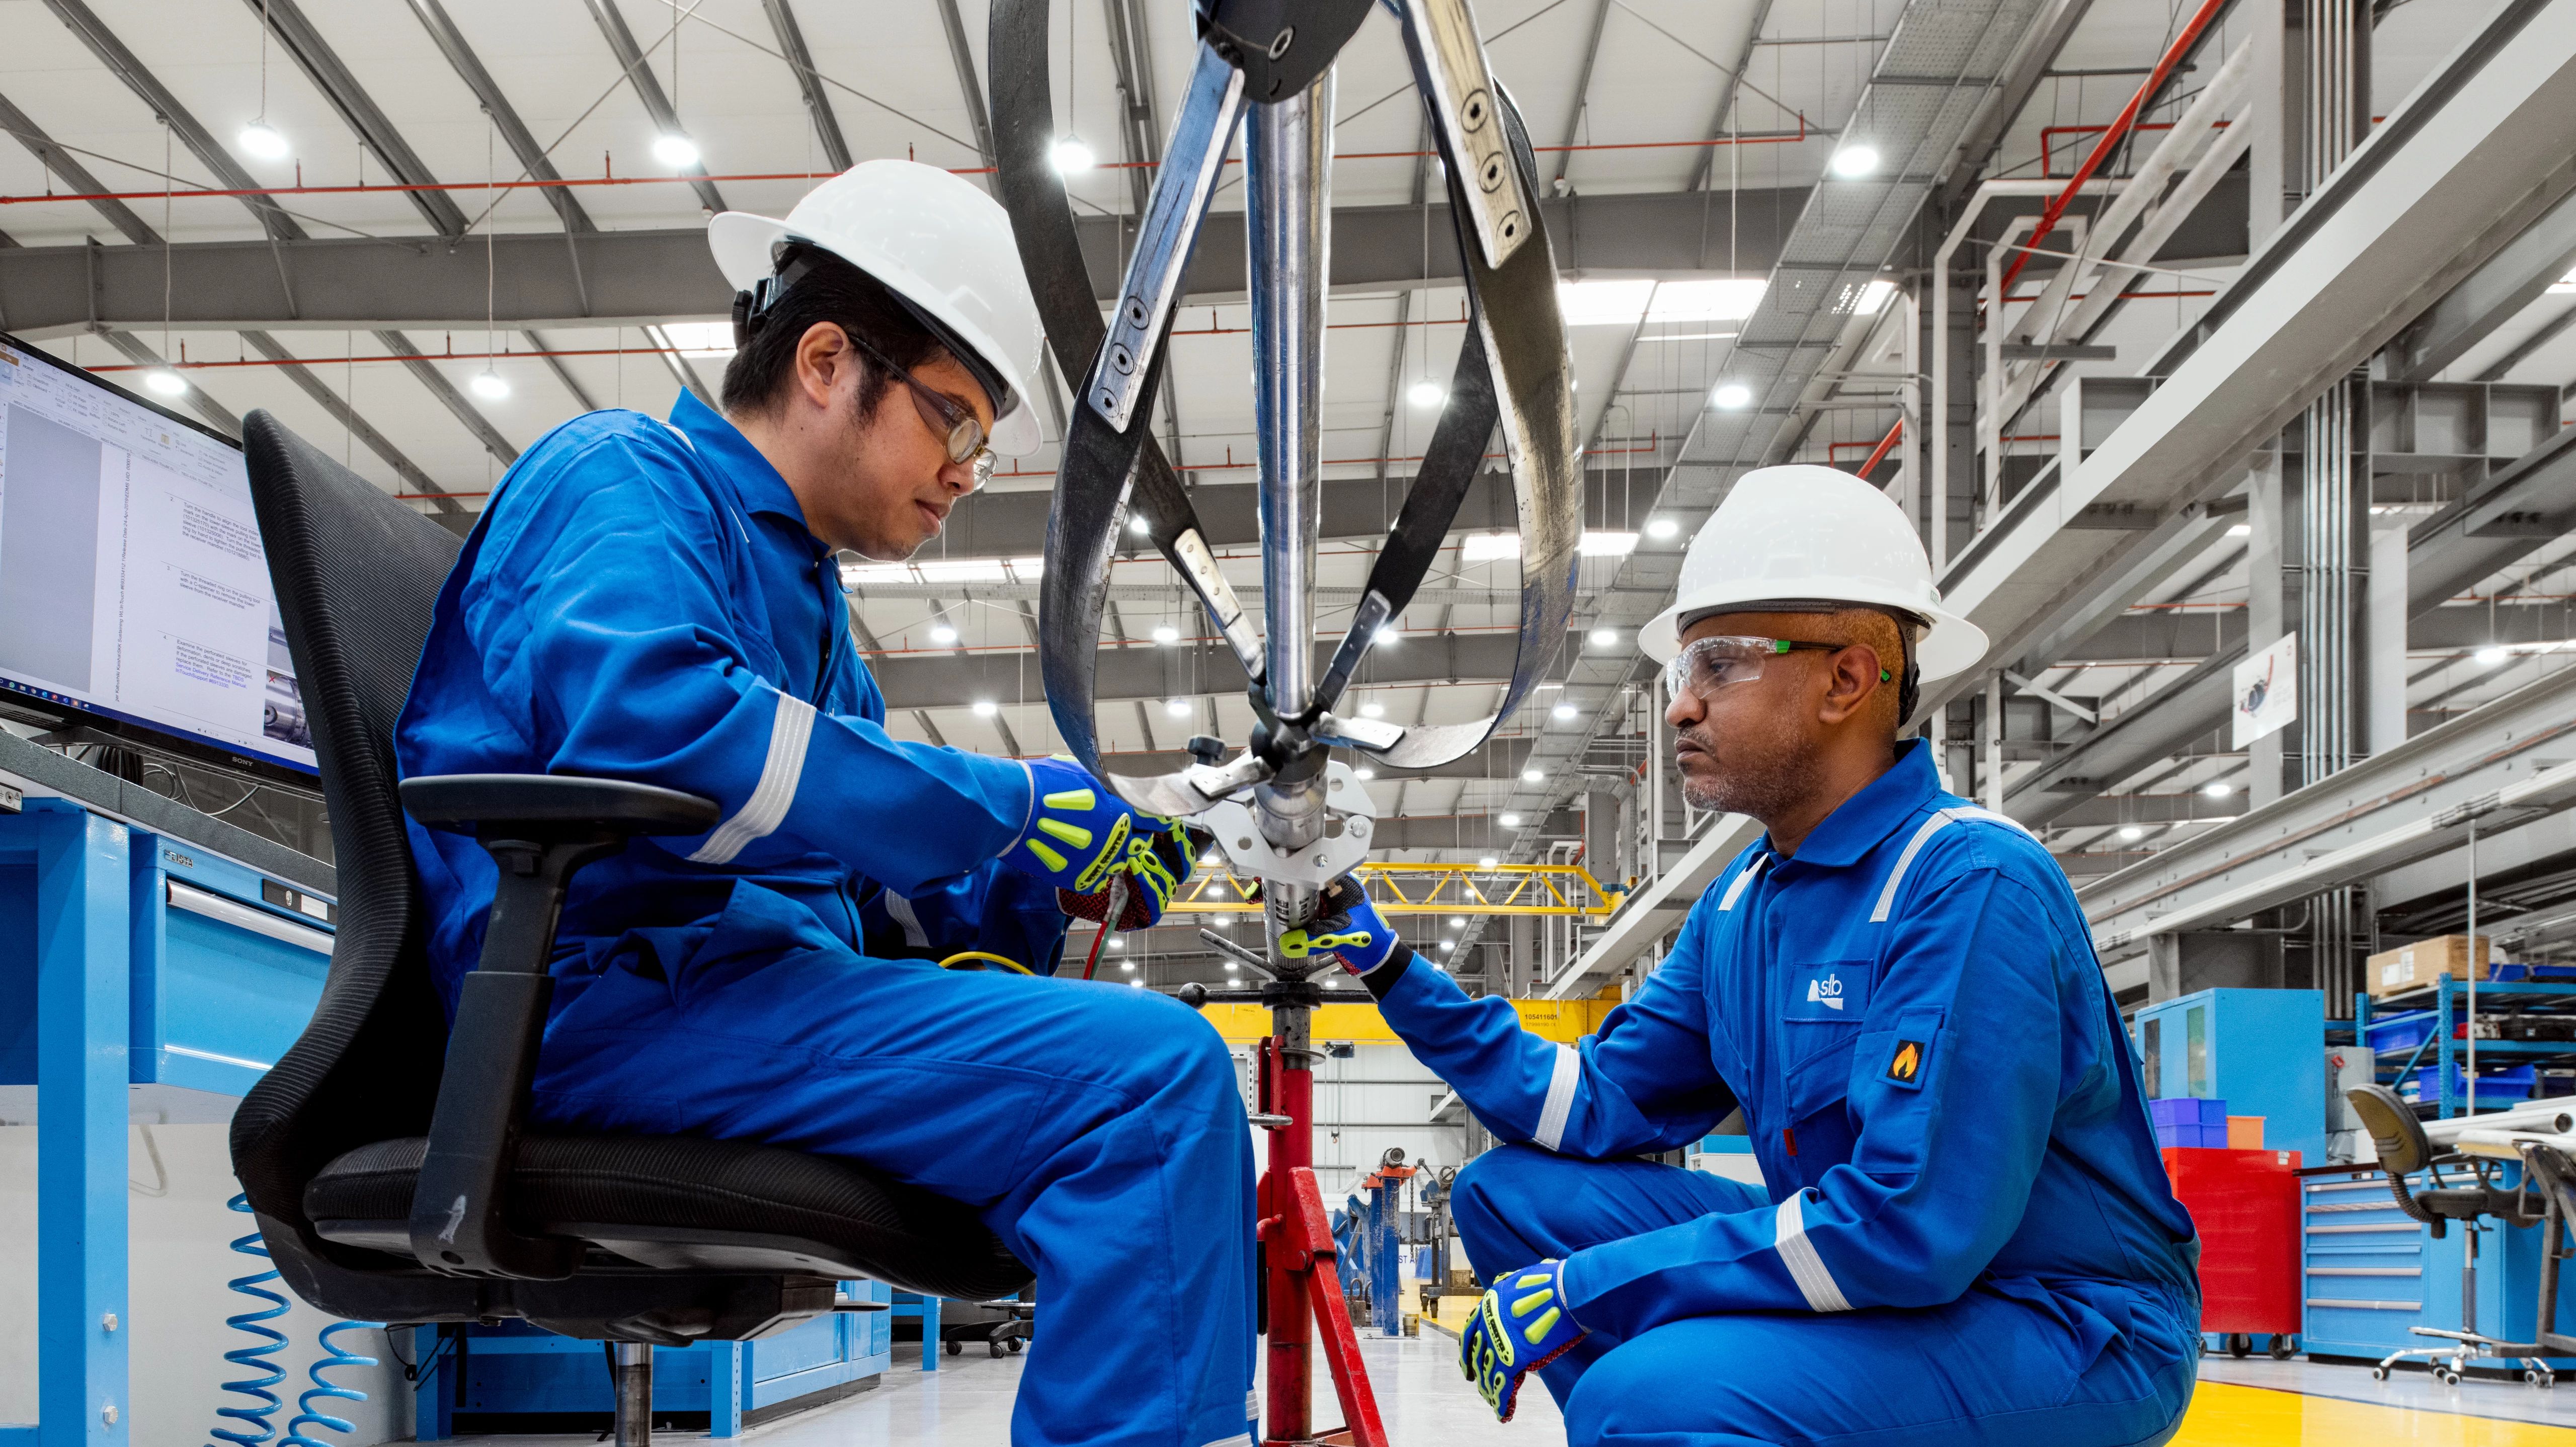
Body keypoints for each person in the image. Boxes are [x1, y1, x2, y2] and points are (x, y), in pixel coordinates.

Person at [395, 160, 1257, 1447]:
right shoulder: (624, 474)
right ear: (822, 361)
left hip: (739, 993)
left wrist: (1057, 866)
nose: (968, 469)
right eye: (953, 419)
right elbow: (656, 730)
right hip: (611, 1000)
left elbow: (864, 877)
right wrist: (1009, 801)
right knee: (1144, 1088)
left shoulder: (800, 591)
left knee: (1135, 1072)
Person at [1311, 464, 2200, 1447]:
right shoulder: (1744, 902)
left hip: (2061, 1320)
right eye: (1681, 672)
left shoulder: (1966, 881)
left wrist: (1588, 1285)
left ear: (1849, 678)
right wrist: (1390, 966)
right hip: (1897, 1288)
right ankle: (1673, 1417)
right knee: (1508, 1196)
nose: (1681, 707)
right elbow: (1592, 1101)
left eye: (1720, 664)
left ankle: (1670, 1411)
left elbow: (1907, 1224)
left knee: (1650, 1391)